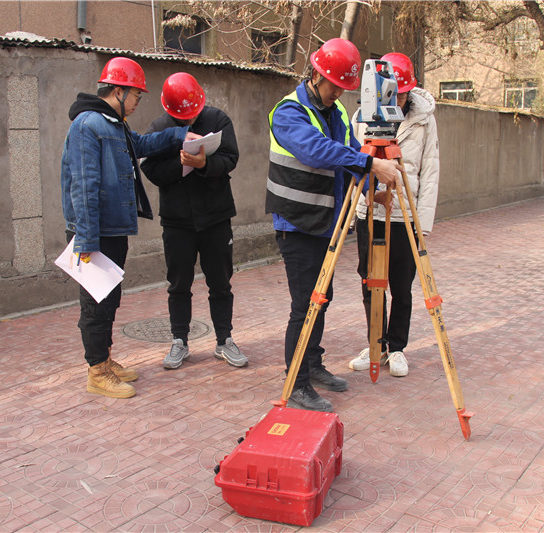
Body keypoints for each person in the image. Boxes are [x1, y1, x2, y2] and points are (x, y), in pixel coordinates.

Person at [266, 38, 403, 412]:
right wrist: (372, 164)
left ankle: (312, 365)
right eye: (335, 85)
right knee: (305, 305)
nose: (339, 93)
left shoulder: (337, 111)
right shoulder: (288, 112)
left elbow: (348, 157)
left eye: (344, 87)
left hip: (327, 221)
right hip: (297, 223)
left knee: (321, 300)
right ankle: (297, 382)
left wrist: (370, 192)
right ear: (316, 75)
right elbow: (317, 151)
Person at [61, 57, 195, 398]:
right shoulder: (88, 126)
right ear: (118, 91)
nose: (138, 102)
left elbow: (143, 145)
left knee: (110, 299)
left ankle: (105, 359)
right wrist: (86, 240)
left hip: (112, 228)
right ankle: (96, 371)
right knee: (95, 303)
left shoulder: (114, 125)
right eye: (136, 95)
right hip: (94, 232)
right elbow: (84, 185)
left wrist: (179, 134)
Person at [140, 72, 248, 370]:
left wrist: (204, 163)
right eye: (182, 115)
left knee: (221, 282)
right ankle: (179, 341)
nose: (189, 117)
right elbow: (150, 169)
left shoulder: (217, 120)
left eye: (193, 112)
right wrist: (180, 164)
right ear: (169, 109)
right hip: (177, 221)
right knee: (178, 284)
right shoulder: (159, 128)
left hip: (216, 216)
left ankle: (224, 340)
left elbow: (231, 158)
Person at [348, 52, 440, 377]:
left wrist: (422, 223)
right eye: (393, 93)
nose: (397, 99)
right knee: (370, 282)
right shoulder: (363, 115)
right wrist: (365, 198)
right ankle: (377, 344)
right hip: (369, 212)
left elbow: (430, 170)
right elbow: (354, 163)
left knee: (401, 286)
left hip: (405, 215)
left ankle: (397, 346)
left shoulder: (424, 119)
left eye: (402, 94)